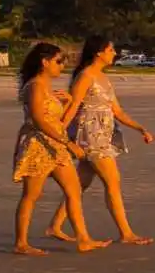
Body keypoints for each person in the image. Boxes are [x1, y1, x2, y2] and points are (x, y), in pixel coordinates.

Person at [48, 35, 155, 245]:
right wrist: (59, 132)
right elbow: (73, 106)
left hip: (104, 134)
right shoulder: (86, 75)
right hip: (90, 136)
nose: (114, 53)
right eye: (111, 50)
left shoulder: (103, 77)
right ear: (99, 52)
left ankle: (54, 226)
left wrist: (140, 128)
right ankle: (126, 233)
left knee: (79, 185)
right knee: (112, 182)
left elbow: (117, 111)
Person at [11, 43, 107, 255]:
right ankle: (21, 243)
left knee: (73, 191)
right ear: (45, 62)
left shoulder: (48, 88)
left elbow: (55, 121)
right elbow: (38, 120)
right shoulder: (35, 86)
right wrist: (68, 143)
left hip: (56, 145)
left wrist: (69, 101)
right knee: (32, 195)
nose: (61, 66)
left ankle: (83, 239)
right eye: (58, 61)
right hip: (38, 145)